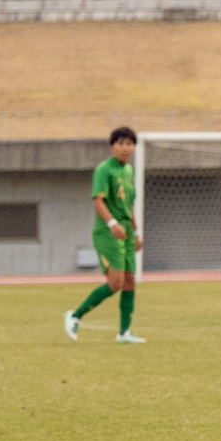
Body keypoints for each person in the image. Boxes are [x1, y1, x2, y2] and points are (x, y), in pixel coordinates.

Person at [64, 127, 146, 344]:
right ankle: (74, 316)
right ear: (112, 146)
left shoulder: (128, 171)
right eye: (121, 143)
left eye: (130, 144)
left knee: (130, 281)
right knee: (116, 282)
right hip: (108, 232)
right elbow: (98, 201)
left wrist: (136, 233)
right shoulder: (104, 169)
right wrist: (111, 223)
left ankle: (124, 333)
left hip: (126, 231)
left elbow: (130, 204)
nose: (126, 148)